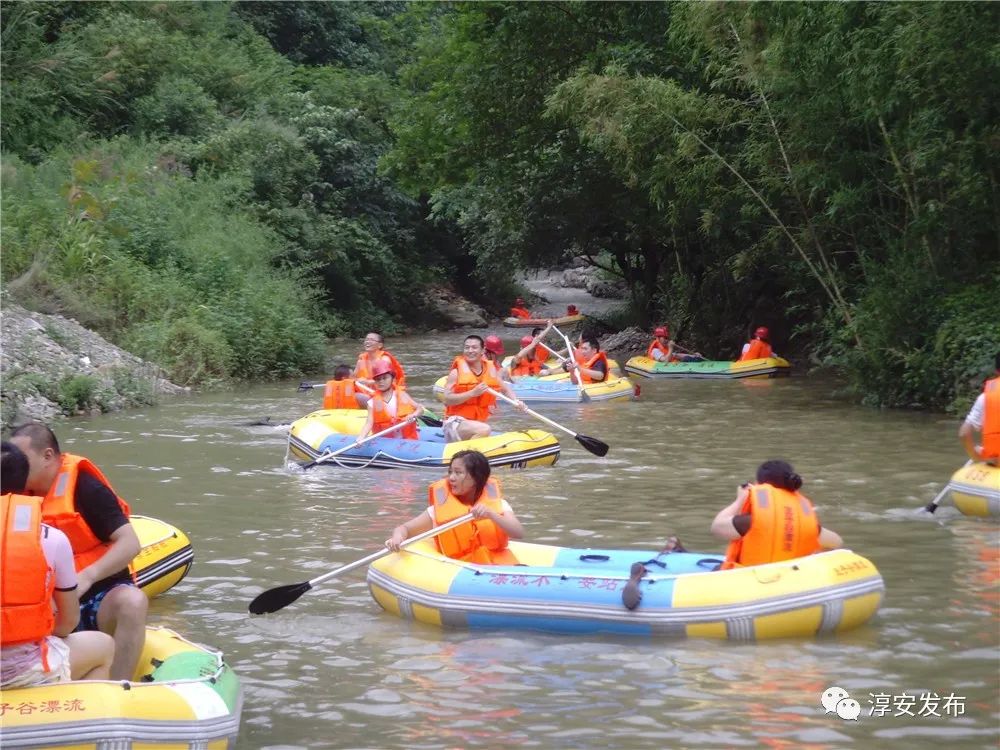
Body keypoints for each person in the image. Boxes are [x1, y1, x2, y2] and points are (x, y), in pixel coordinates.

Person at [10, 423, 146, 682]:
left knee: (133, 602)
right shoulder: (12, 493)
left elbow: (130, 543)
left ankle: (119, 689)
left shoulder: (87, 488)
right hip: (46, 602)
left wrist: (87, 576)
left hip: (97, 593)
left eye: (22, 460)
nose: (16, 467)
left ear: (48, 456)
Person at [1, 441, 114, 688]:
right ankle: (83, 719)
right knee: (103, 646)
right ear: (23, 486)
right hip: (23, 670)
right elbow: (68, 622)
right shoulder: (51, 538)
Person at [385, 450, 523, 564]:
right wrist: (397, 538)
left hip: (499, 566)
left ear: (477, 477)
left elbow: (518, 533)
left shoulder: (499, 506)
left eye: (458, 472)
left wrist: (491, 514)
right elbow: (404, 529)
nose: (451, 478)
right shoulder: (436, 512)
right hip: (462, 571)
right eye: (450, 472)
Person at [711, 460, 843, 569]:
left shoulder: (750, 522)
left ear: (759, 485)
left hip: (753, 584)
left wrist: (740, 500)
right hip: (791, 581)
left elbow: (717, 528)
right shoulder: (809, 524)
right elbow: (837, 542)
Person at [442, 335, 526, 442]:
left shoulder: (490, 370)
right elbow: (447, 399)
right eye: (467, 347)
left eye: (474, 347)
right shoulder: (456, 373)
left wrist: (516, 401)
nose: (470, 350)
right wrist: (472, 393)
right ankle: (467, 455)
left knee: (486, 428)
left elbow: (505, 389)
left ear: (482, 350)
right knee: (485, 429)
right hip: (455, 423)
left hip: (477, 422)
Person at [358, 360, 425, 440]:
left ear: (392, 379)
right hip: (386, 441)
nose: (381, 382)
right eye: (378, 379)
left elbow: (420, 409)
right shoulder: (372, 403)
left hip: (406, 440)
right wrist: (361, 437)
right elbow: (369, 423)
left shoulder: (402, 395)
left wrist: (413, 415)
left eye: (385, 378)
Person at [959, 351, 1000, 464]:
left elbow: (963, 434)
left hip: (995, 460)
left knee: (978, 450)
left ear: (996, 371)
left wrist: (976, 457)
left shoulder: (985, 398)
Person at [353, 331, 407, 405]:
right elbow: (352, 379)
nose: (367, 342)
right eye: (366, 339)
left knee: (358, 397)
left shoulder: (384, 359)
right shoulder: (361, 360)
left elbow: (389, 382)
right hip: (367, 393)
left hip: (384, 395)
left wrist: (367, 382)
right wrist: (357, 381)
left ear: (380, 345)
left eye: (371, 340)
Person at [542, 335, 607, 383]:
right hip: (585, 384)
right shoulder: (585, 362)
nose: (582, 351)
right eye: (582, 349)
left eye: (585, 349)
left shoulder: (599, 362)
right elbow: (575, 382)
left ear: (594, 350)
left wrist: (580, 369)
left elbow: (600, 376)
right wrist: (572, 372)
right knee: (559, 382)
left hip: (593, 388)